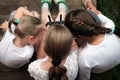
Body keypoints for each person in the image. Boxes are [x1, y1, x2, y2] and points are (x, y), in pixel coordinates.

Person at [64, 0, 120, 80]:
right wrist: (90, 4)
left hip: (99, 72)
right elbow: (97, 14)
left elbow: (84, 78)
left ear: (79, 36)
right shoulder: (110, 26)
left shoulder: (84, 57)